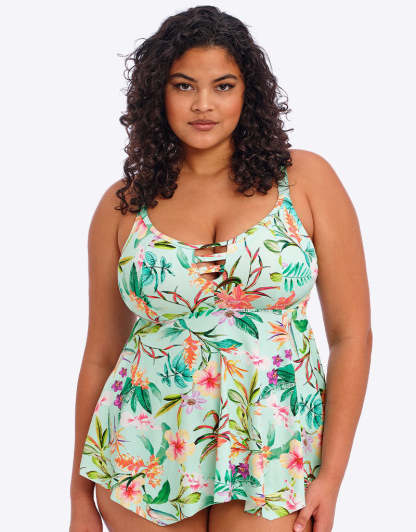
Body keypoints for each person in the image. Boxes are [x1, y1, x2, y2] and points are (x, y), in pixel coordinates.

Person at [69, 6, 372, 532]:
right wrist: (78, 497)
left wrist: (332, 477)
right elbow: (100, 355)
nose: (203, 105)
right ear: (157, 94)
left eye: (223, 86)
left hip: (274, 451)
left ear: (247, 92)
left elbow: (352, 336)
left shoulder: (305, 180)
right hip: (144, 454)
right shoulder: (124, 206)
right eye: (184, 86)